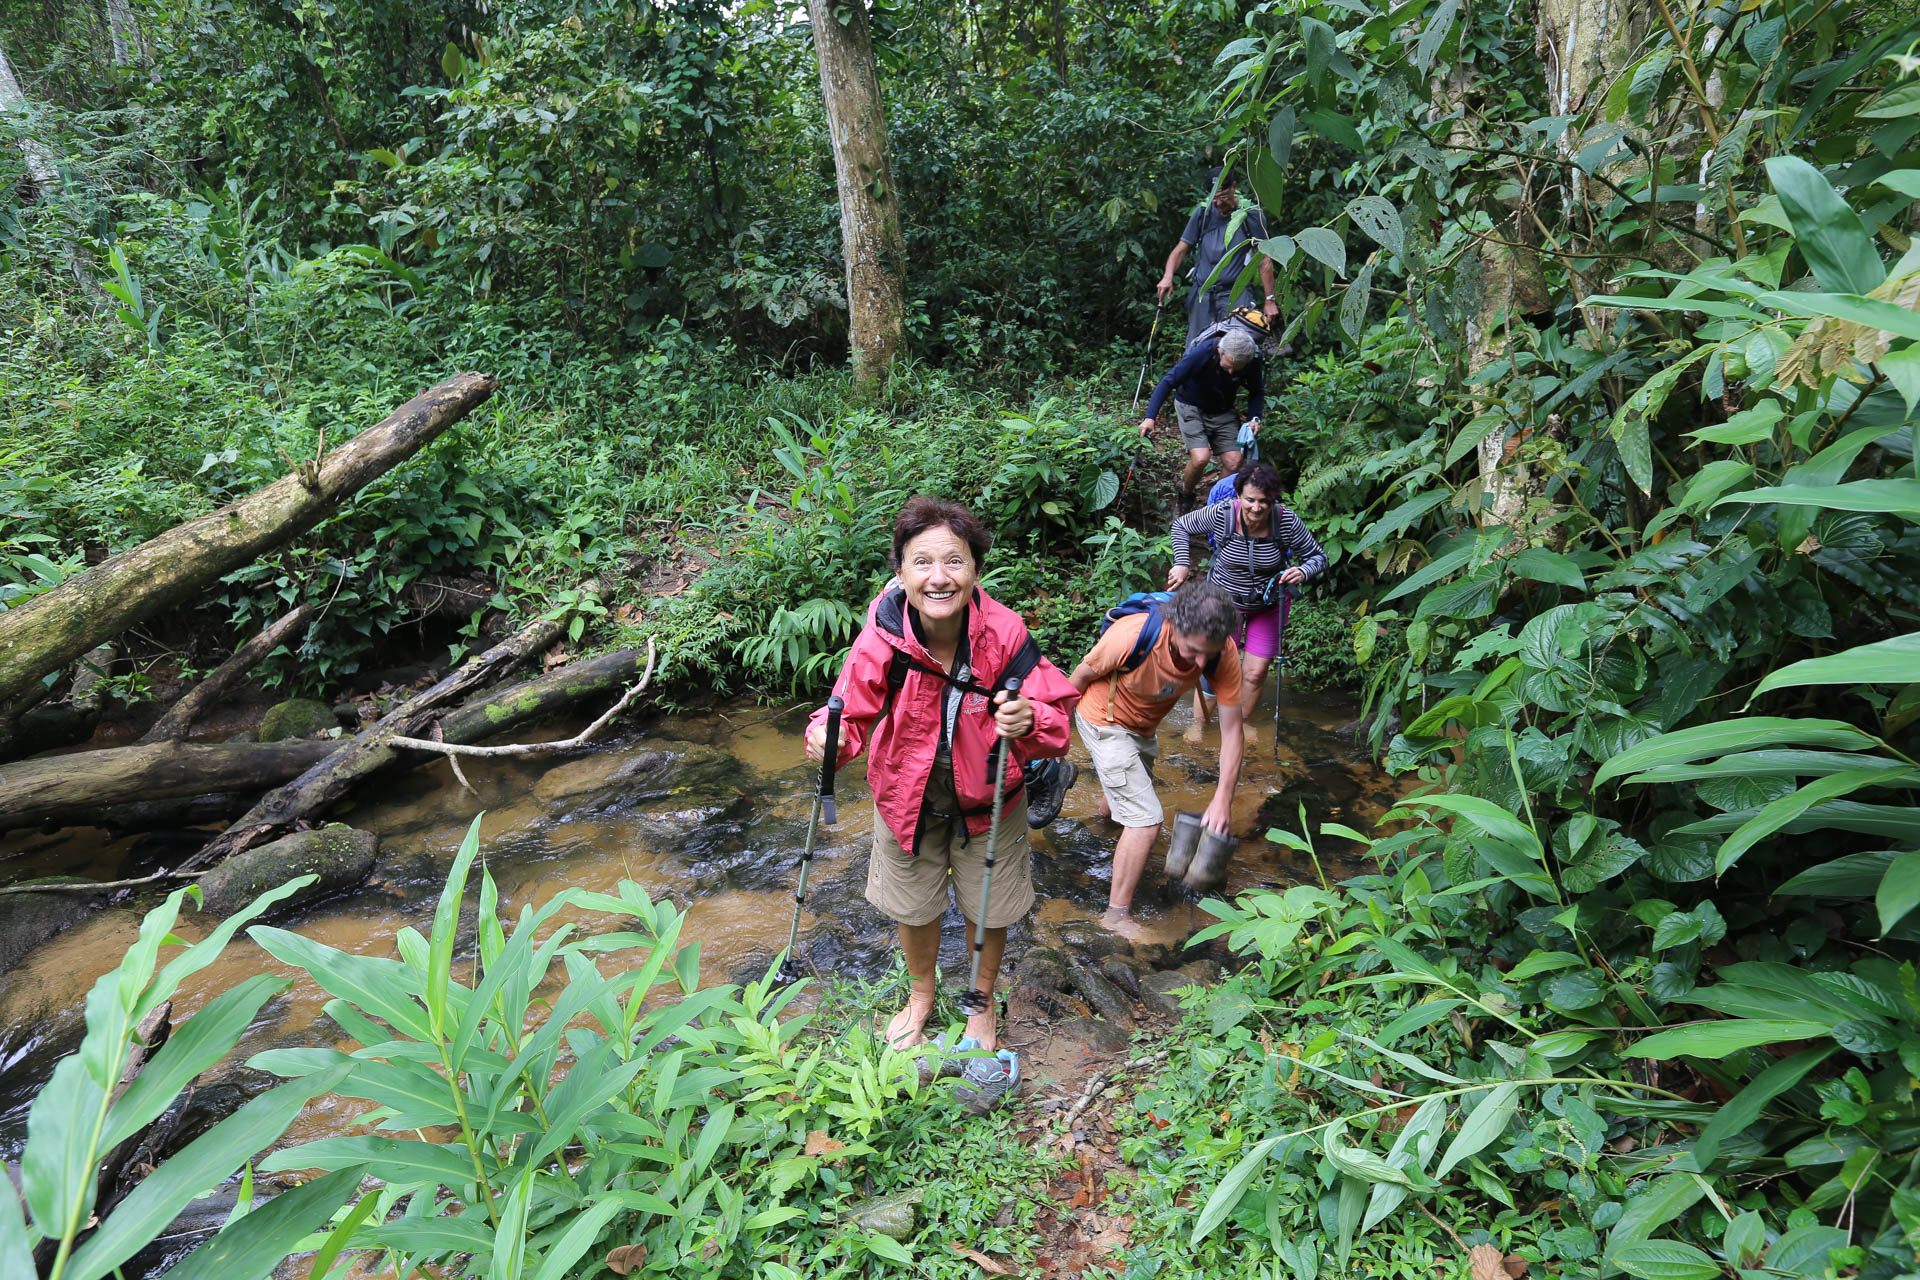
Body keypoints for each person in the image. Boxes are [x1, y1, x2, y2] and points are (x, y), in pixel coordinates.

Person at [806, 496, 1080, 1095]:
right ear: (900, 572)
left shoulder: (1005, 634)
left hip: (990, 802)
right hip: (906, 796)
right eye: (922, 561)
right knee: (913, 904)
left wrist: (1029, 719)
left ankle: (980, 1006)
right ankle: (922, 995)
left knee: (993, 907)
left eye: (954, 561)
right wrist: (826, 737)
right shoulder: (883, 630)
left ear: (975, 570)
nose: (939, 576)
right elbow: (849, 711)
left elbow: (1059, 719)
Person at [1064, 581, 1244, 938]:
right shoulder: (1132, 635)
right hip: (1103, 718)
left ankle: (1099, 831)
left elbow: (1234, 731)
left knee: (1125, 807)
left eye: (1208, 654)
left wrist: (1223, 799)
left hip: (1143, 727)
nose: (1201, 663)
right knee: (1146, 821)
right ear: (1173, 626)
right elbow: (1078, 680)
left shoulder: (1221, 650)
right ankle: (1115, 916)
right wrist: (1054, 741)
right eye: (1193, 651)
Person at [1169, 462, 1326, 735]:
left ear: (1273, 500)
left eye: (1264, 501)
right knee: (1214, 664)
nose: (1256, 507)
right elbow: (1180, 526)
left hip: (1267, 604)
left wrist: (1303, 570)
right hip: (1222, 604)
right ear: (1239, 496)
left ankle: (1240, 726)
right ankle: (1198, 724)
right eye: (1250, 500)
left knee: (1254, 672)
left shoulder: (1285, 520)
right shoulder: (1224, 514)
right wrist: (1182, 563)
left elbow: (1318, 557)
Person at [1138, 325, 1266, 510]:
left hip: (1222, 410)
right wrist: (1150, 417)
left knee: (1235, 461)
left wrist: (1255, 418)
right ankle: (1186, 494)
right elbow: (1168, 381)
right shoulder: (1204, 352)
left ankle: (1214, 507)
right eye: (1229, 365)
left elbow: (1257, 391)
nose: (1231, 372)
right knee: (1200, 458)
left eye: (1237, 369)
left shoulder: (1251, 360)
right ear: (1220, 351)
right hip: (1191, 405)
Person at [1156, 167, 1280, 347]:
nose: (1218, 203)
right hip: (1203, 294)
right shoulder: (1203, 213)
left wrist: (1270, 300)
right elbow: (1181, 248)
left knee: (1238, 349)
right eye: (1214, 198)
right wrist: (1167, 277)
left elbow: (1264, 259)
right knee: (1196, 349)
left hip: (1236, 294)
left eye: (1223, 197)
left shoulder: (1250, 214)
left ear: (1234, 187)